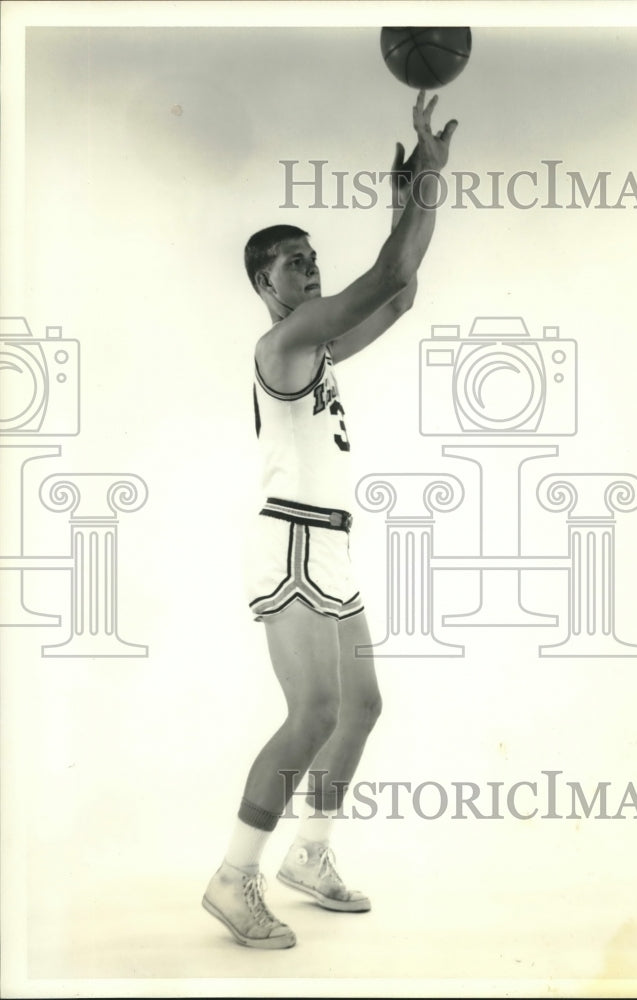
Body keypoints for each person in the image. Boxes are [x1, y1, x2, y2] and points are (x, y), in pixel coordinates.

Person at [202, 91, 458, 949]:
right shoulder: (281, 346)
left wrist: (407, 202)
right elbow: (386, 275)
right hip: (292, 540)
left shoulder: (317, 346)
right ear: (260, 284)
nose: (308, 269)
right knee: (312, 710)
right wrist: (426, 181)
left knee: (363, 707)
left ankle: (308, 856)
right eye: (290, 263)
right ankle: (234, 876)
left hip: (331, 545)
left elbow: (400, 297)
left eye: (312, 258)